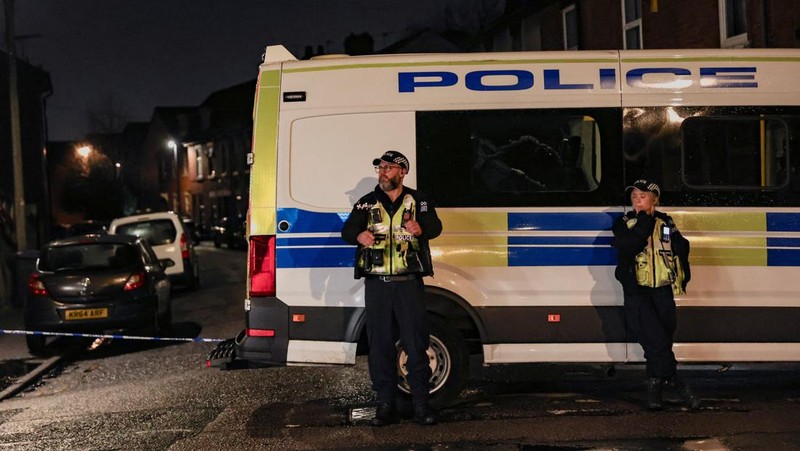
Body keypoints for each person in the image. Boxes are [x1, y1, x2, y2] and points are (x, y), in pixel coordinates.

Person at [341, 150, 443, 426]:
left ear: (402, 171)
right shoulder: (366, 203)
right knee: (380, 346)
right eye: (380, 168)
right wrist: (358, 235)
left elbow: (435, 227)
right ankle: (385, 406)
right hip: (378, 286)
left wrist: (420, 228)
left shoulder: (418, 200)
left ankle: (421, 407)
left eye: (388, 168)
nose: (382, 172)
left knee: (416, 343)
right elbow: (347, 231)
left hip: (408, 284)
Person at [611, 179, 700, 411]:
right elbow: (629, 245)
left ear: (655, 199)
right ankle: (678, 384)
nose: (637, 200)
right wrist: (644, 220)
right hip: (638, 293)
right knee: (657, 341)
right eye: (634, 196)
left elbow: (680, 247)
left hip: (662, 291)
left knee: (659, 343)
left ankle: (654, 392)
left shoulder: (666, 222)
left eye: (642, 196)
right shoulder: (624, 223)